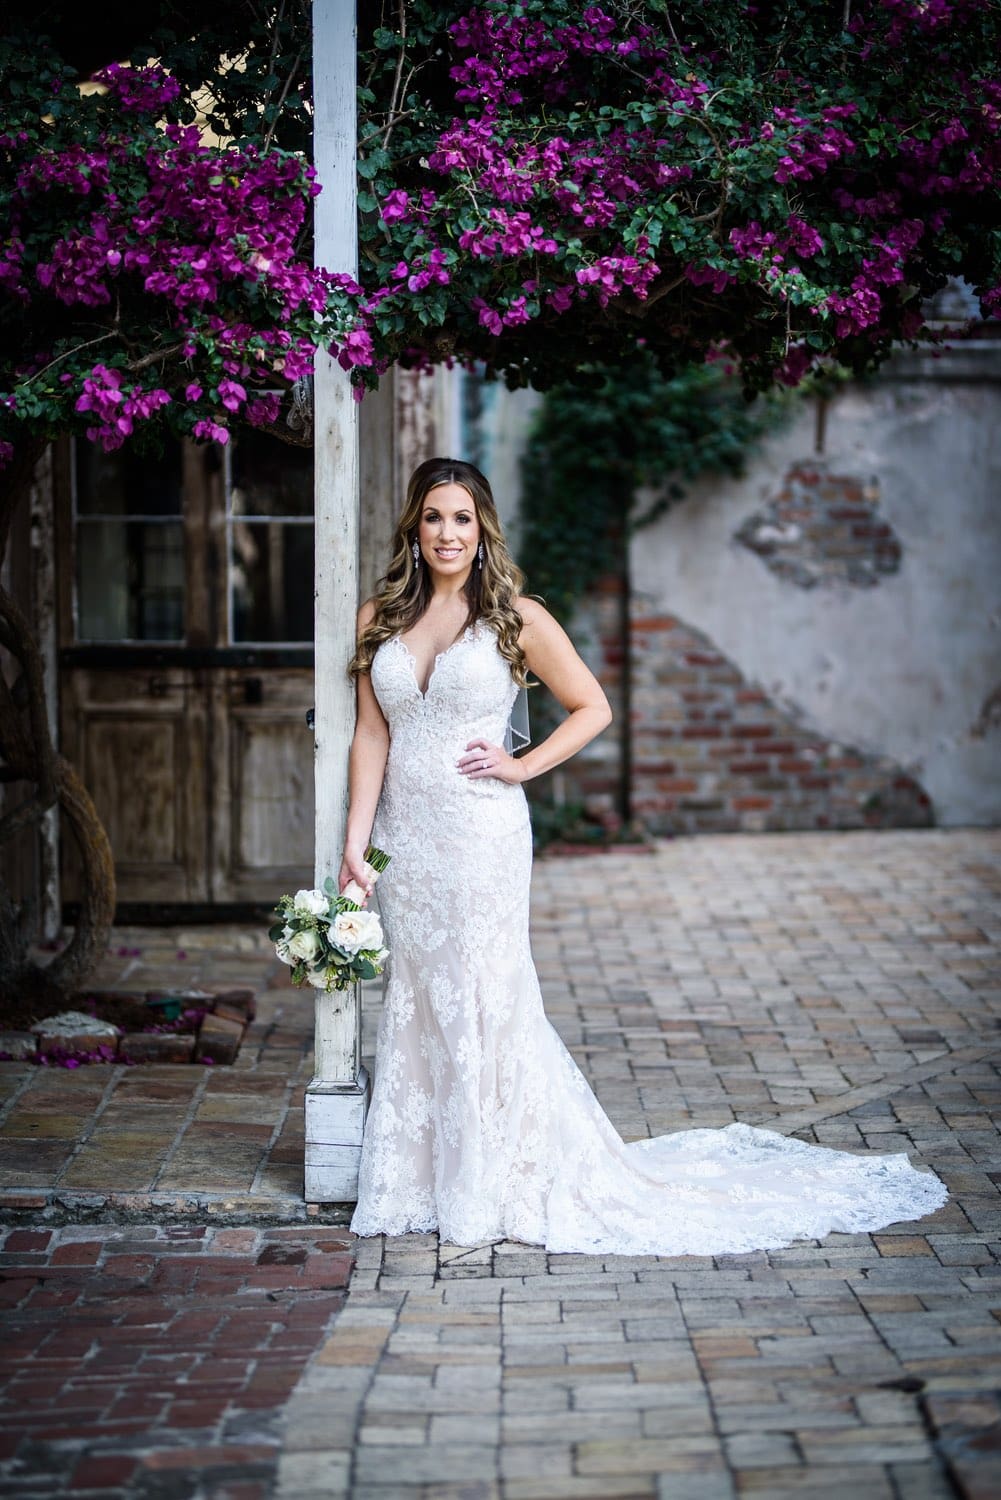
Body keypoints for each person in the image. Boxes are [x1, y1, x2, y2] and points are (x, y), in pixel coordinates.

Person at [338, 457, 947, 1255]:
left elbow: (593, 706)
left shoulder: (514, 617)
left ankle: (493, 1177)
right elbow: (371, 733)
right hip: (404, 841)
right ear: (413, 530)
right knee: (419, 996)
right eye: (432, 518)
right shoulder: (377, 617)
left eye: (461, 518)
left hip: (480, 833)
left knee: (485, 992)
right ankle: (419, 1176)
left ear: (481, 530)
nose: (446, 533)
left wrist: (522, 765)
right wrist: (356, 842)